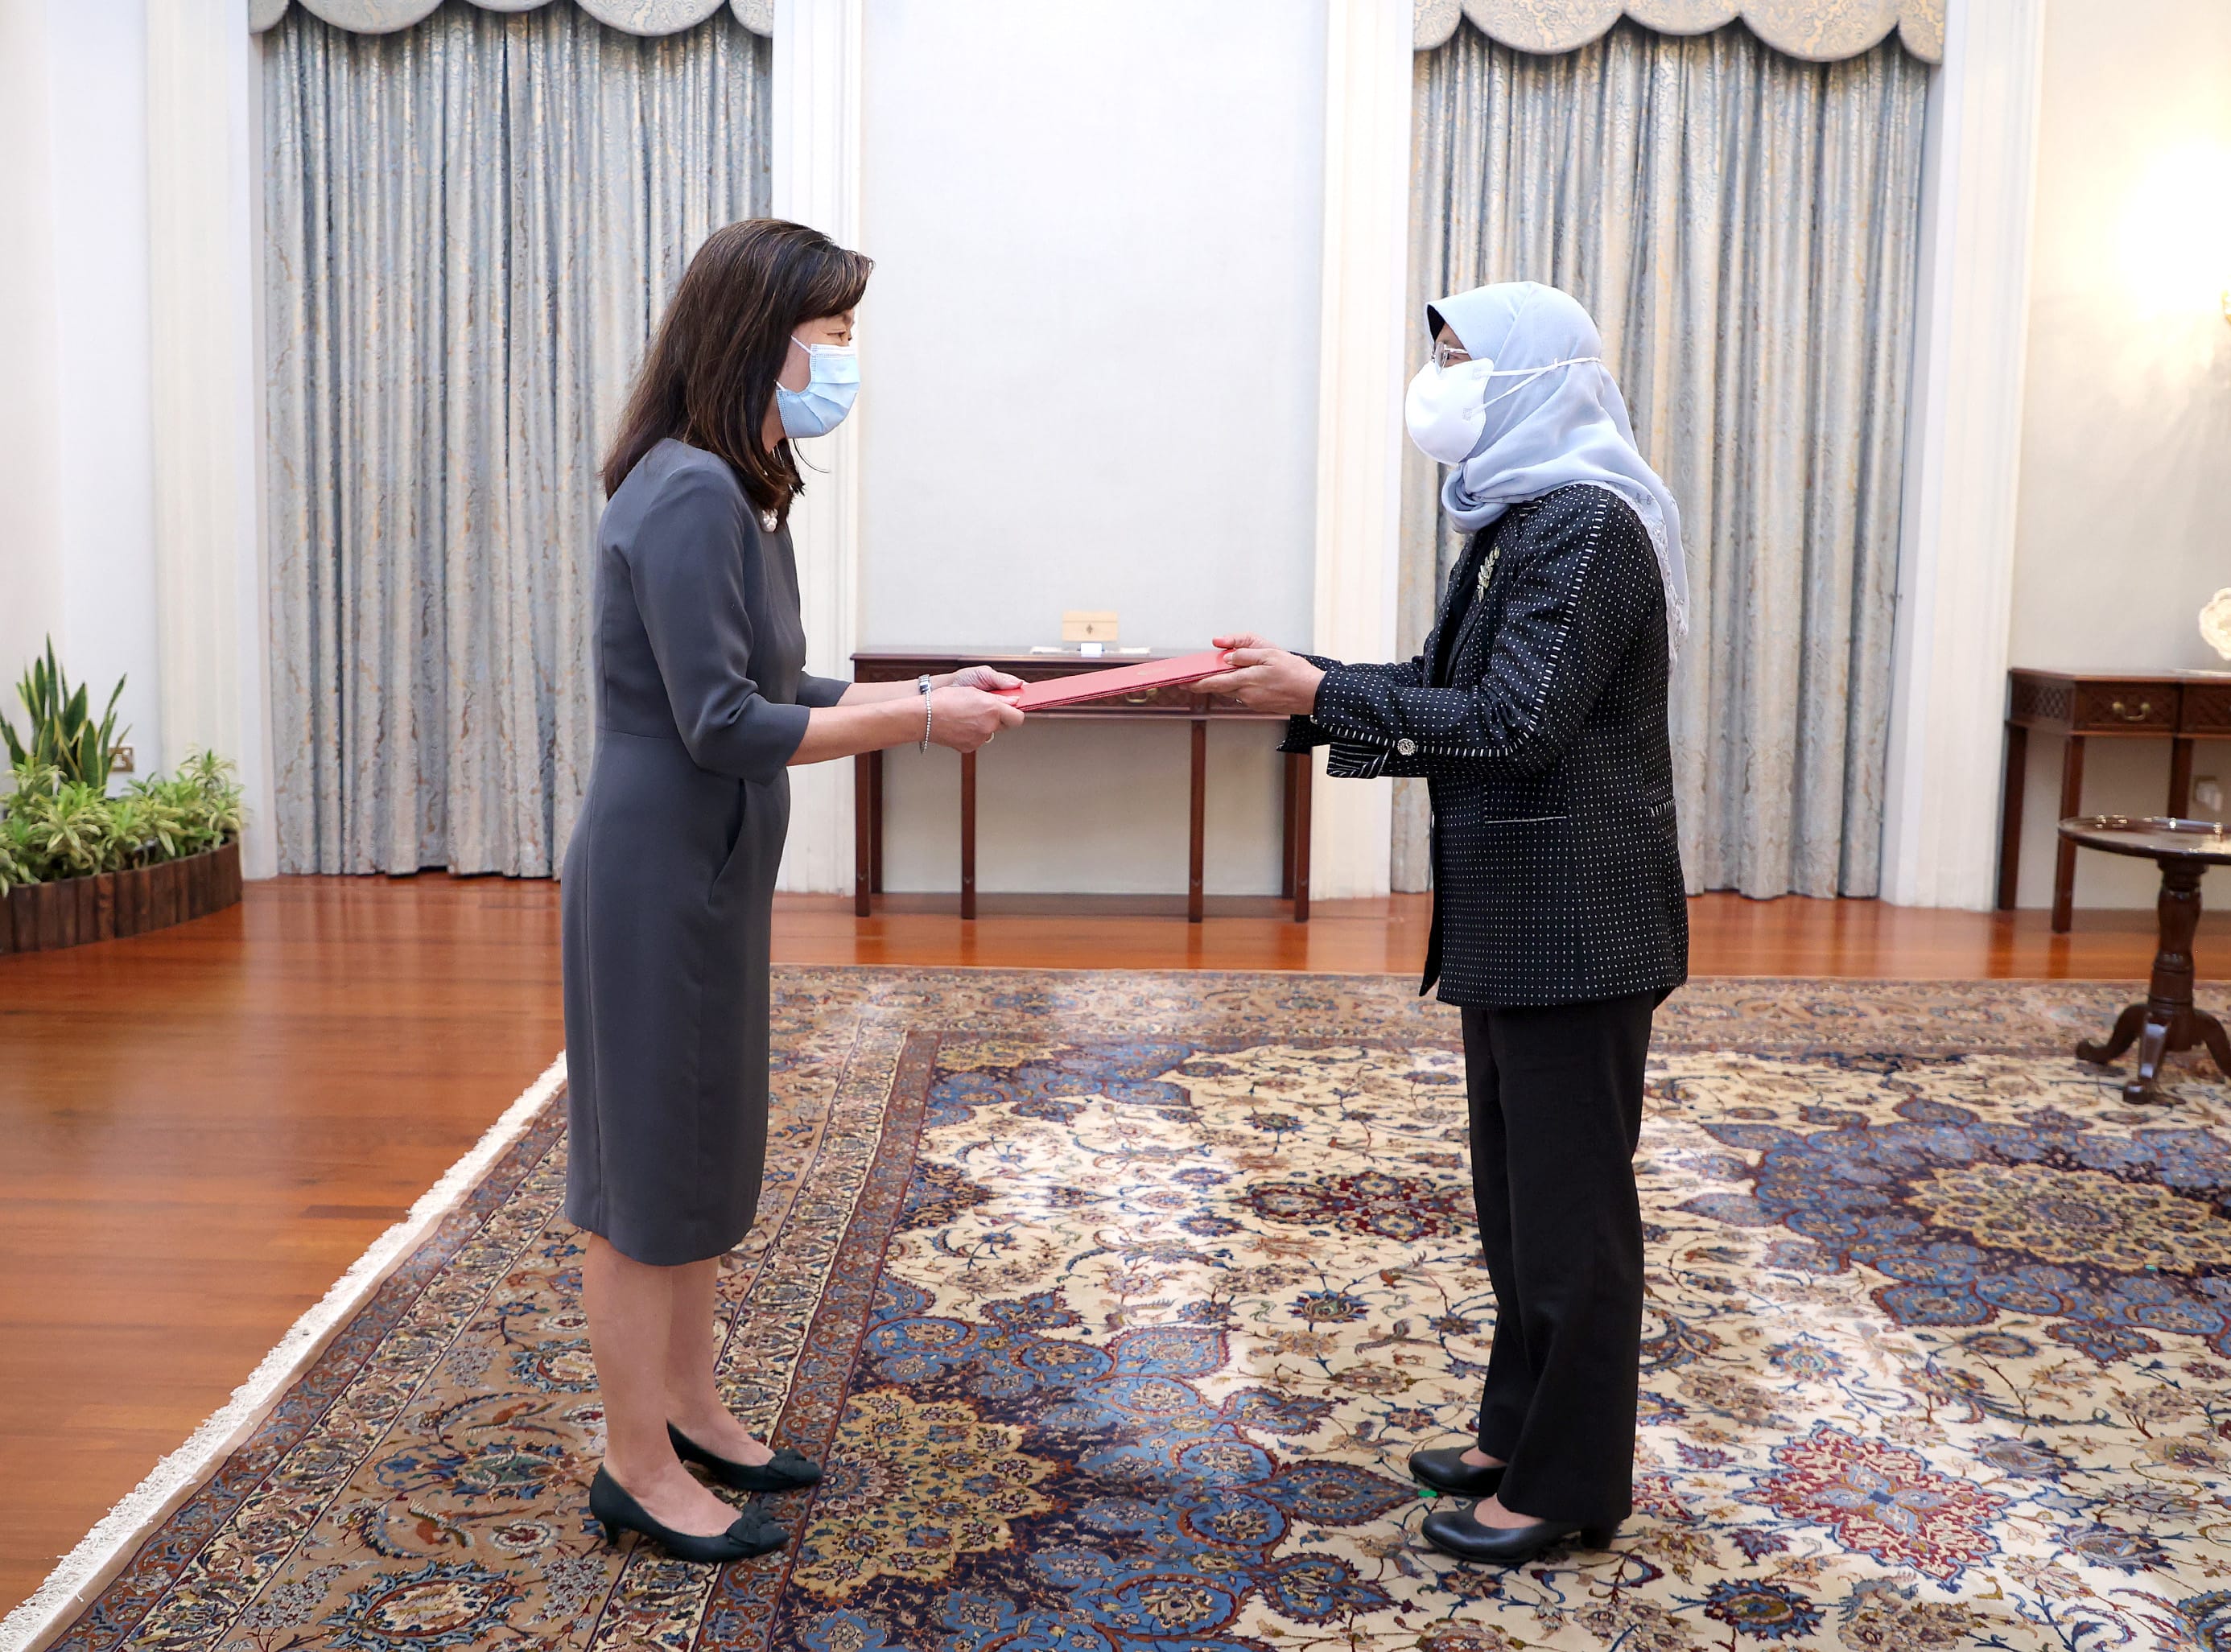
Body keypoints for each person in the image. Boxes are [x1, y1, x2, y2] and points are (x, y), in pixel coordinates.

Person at [1199, 280, 1689, 1567]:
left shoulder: (1588, 526)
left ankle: (1567, 1482)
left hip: (1577, 925)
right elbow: (1446, 688)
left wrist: (1324, 689)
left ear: (1534, 379)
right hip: (1519, 918)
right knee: (1517, 1199)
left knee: (1573, 1217)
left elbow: (1518, 726)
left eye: (1463, 359)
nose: (1441, 380)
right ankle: (1515, 1429)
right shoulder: (1519, 519)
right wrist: (1310, 687)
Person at [563, 219, 1025, 1563]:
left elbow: (786, 685)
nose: (841, 359)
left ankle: (695, 1405)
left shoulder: (739, 483)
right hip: (658, 870)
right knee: (642, 1176)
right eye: (828, 333)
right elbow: (719, 721)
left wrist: (928, 696)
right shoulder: (692, 492)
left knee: (702, 1149)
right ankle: (634, 1462)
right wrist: (918, 719)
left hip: (711, 871)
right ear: (753, 337)